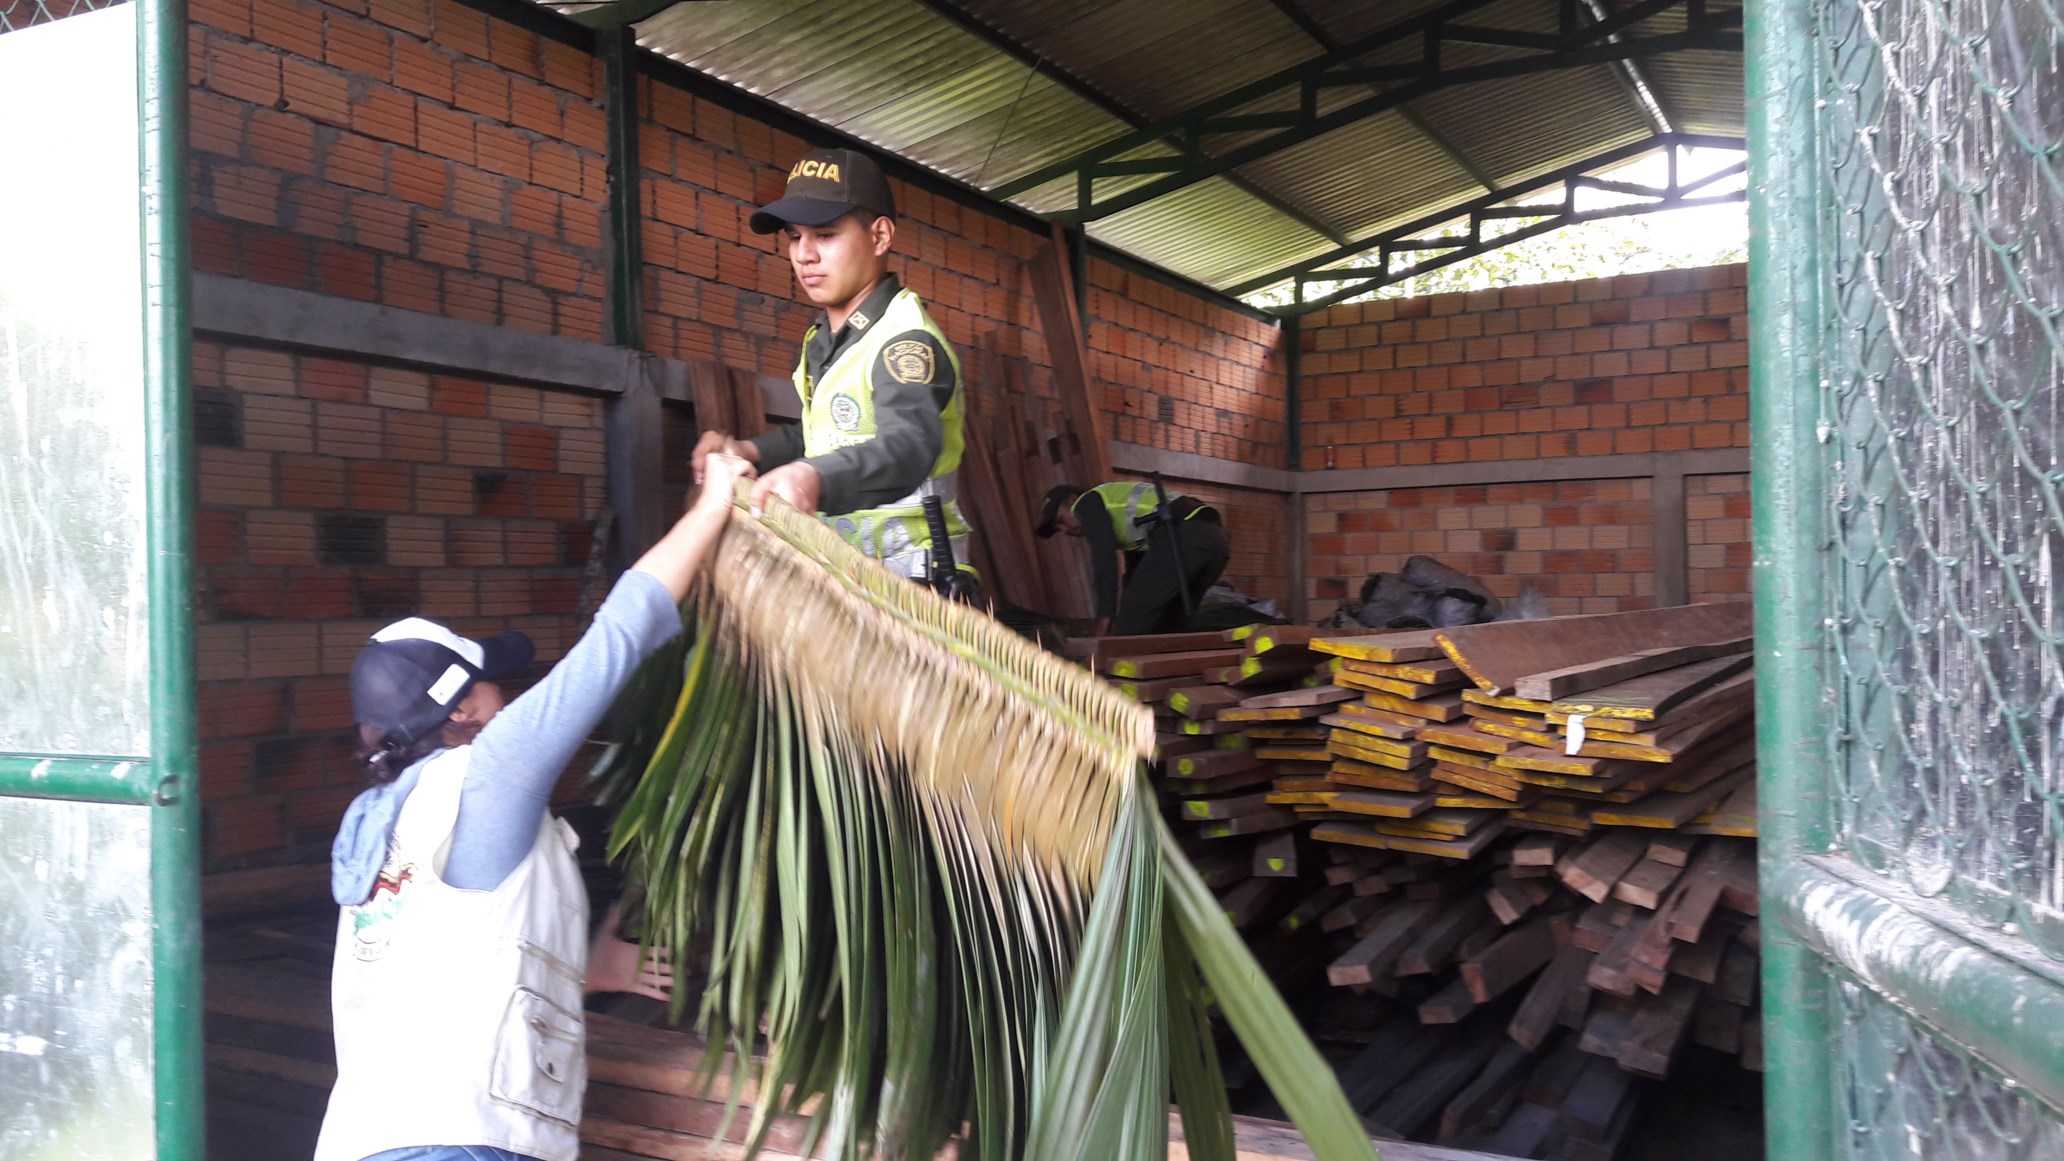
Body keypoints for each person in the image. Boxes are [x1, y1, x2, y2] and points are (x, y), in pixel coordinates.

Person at [313, 454, 756, 1161]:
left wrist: (591, 968)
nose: (508, 697)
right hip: (457, 1144)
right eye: (491, 685)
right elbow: (618, 638)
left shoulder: (384, 817)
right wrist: (712, 508)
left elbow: (446, 972)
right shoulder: (486, 775)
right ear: (462, 707)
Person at [690, 146, 973, 580]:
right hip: (849, 576)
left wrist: (814, 478)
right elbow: (828, 435)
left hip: (913, 586)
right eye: (794, 237)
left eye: (825, 235)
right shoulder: (825, 340)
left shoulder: (904, 340)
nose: (804, 254)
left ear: (880, 236)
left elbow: (908, 447)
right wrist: (749, 450)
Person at [1035, 481, 1230, 636]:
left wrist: (1105, 616)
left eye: (1060, 521)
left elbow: (1103, 558)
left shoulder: (1087, 502)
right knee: (1165, 625)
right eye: (1057, 530)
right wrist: (1125, 607)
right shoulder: (1126, 519)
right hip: (1214, 540)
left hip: (1182, 533)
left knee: (1130, 630)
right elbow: (1137, 572)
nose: (1064, 530)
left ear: (1072, 499)